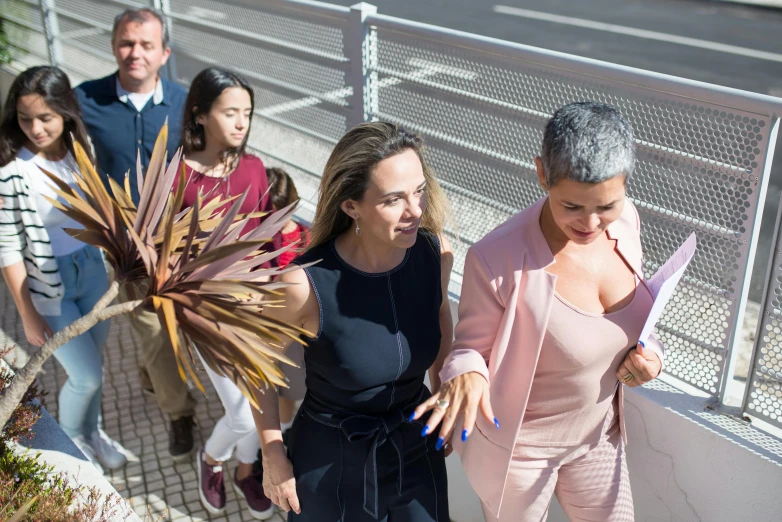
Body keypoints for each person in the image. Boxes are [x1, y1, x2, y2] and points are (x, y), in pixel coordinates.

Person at [413, 102, 666, 522]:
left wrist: (651, 355)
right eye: (572, 206)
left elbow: (641, 315)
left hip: (599, 438)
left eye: (607, 205)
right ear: (541, 174)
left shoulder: (627, 223)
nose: (591, 223)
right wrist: (468, 374)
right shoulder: (495, 257)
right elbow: (468, 350)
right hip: (520, 453)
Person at [254, 122, 454, 522]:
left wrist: (444, 392)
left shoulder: (435, 253)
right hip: (329, 462)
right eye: (394, 199)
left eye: (419, 191)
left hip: (415, 447)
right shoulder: (302, 284)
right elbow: (255, 364)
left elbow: (440, 315)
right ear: (351, 206)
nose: (415, 210)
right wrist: (273, 452)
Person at [74, 6, 196, 461]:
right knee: (153, 329)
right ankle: (179, 413)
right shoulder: (85, 99)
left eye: (146, 45)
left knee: (174, 326)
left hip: (181, 239)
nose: (135, 53)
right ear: (113, 46)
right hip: (124, 247)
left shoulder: (187, 103)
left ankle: (152, 375)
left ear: (164, 53)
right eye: (127, 43)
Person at [0, 66, 128, 474]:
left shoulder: (79, 148)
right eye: (25, 118)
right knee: (86, 375)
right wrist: (27, 313)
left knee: (96, 363)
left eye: (45, 118)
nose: (35, 128)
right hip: (48, 285)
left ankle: (93, 432)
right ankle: (74, 439)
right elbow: (6, 247)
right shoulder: (10, 169)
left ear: (65, 113)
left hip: (92, 271)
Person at [176, 67, 276, 520]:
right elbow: (165, 258)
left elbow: (270, 238)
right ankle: (212, 460)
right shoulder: (177, 176)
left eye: (248, 114)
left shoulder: (255, 170)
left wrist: (278, 295)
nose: (241, 123)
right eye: (230, 112)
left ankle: (244, 471)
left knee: (261, 400)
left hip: (257, 310)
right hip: (204, 315)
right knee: (241, 414)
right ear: (199, 116)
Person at [265, 166, 309, 437]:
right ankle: (279, 441)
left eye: (285, 210)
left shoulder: (307, 237)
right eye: (272, 213)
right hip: (272, 329)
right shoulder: (258, 241)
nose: (279, 219)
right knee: (282, 393)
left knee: (295, 388)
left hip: (300, 330)